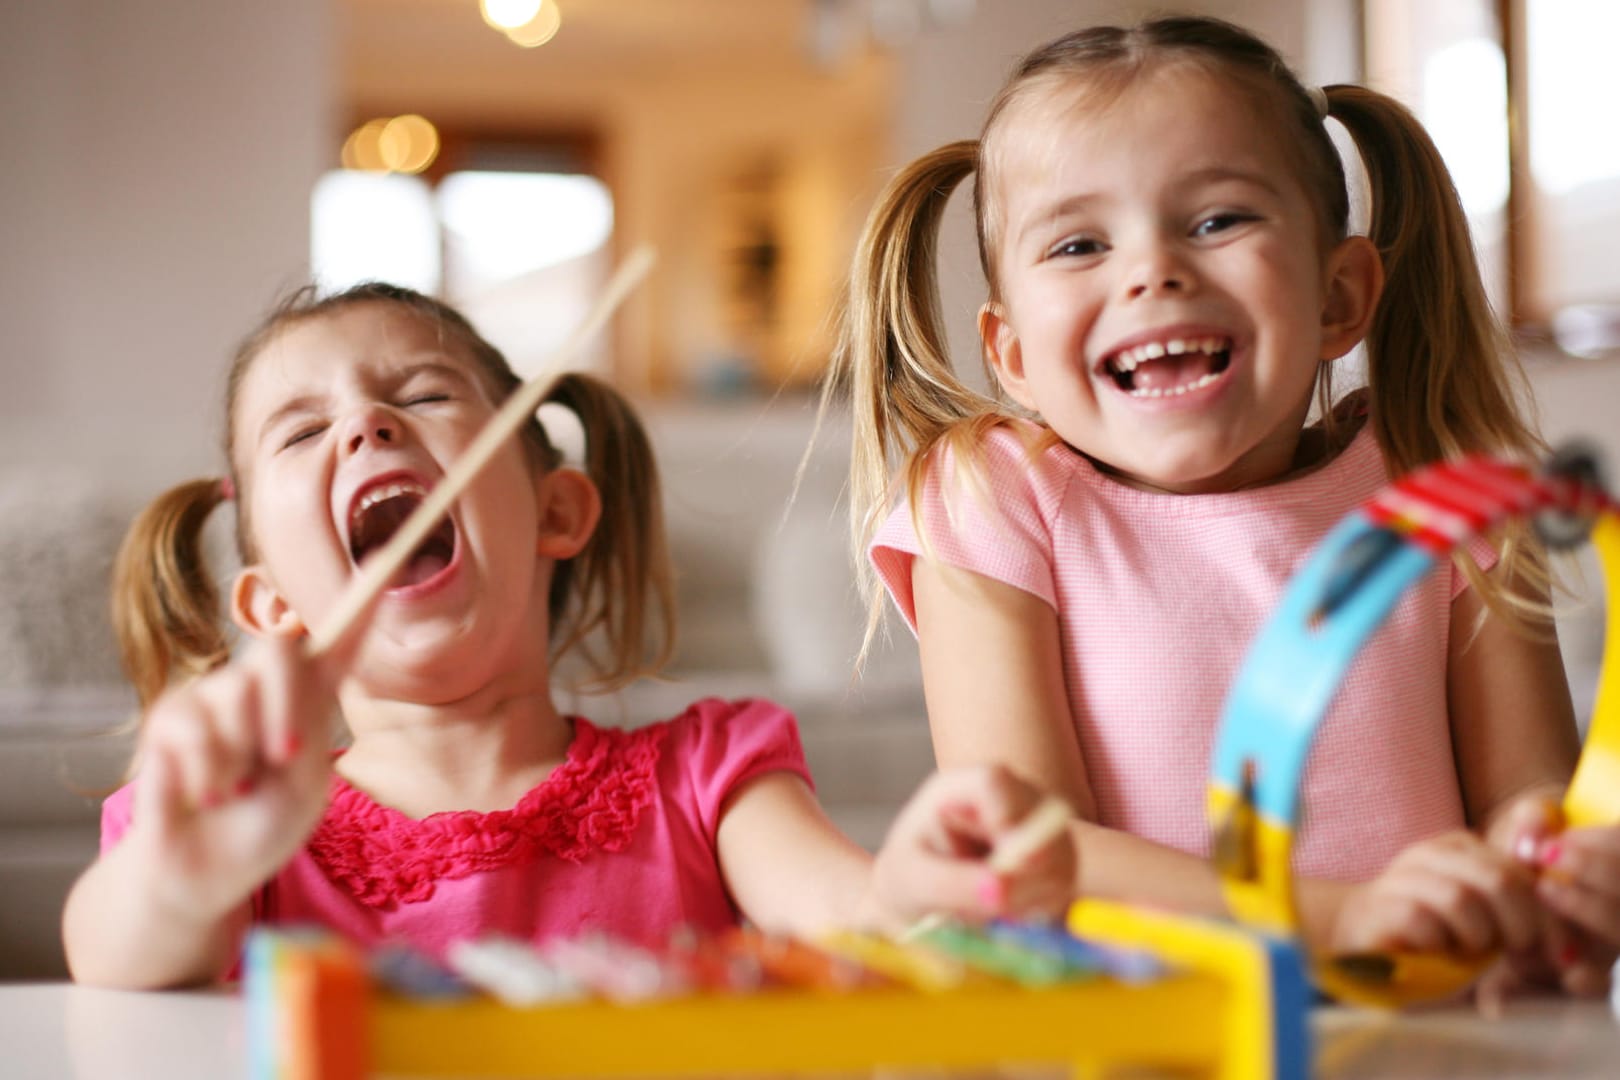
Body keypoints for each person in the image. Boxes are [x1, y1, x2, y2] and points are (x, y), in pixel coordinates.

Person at [825, 14, 1615, 994]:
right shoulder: (995, 497)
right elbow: (1032, 855)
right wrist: (1340, 921)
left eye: (1217, 221)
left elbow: (1527, 792)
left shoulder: (1440, 482)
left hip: (1434, 1023)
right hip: (1154, 1038)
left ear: (1337, 299)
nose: (1152, 269)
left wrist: (1554, 862)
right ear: (1014, 356)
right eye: (1078, 244)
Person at [61, 283, 1076, 990]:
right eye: (300, 430)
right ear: (273, 605)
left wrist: (916, 887)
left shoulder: (710, 774)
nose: (366, 424)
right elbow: (112, 957)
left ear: (556, 513)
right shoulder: (225, 823)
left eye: (420, 394)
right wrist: (178, 875)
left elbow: (851, 910)